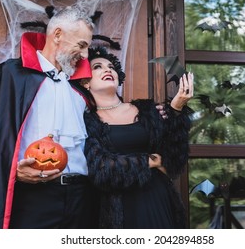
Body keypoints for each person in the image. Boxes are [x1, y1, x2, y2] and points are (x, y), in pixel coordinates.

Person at [0, 6, 99, 229]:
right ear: (57, 35)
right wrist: (14, 171)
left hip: (81, 198)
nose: (85, 55)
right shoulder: (11, 76)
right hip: (33, 197)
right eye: (81, 45)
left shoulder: (80, 89)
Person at [81, 46, 194, 228]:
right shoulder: (86, 122)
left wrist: (176, 109)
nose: (108, 69)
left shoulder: (148, 110)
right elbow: (100, 169)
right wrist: (149, 161)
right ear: (85, 82)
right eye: (98, 67)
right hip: (117, 209)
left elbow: (174, 158)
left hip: (157, 198)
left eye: (111, 66)